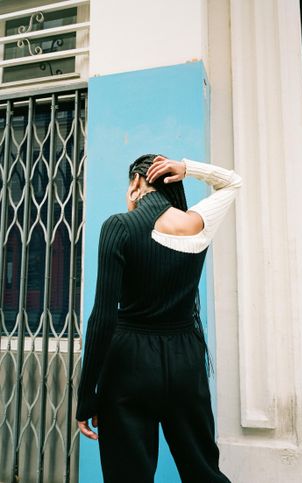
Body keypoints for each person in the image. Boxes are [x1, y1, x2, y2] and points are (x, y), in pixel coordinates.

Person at [76, 154, 242, 483]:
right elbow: (232, 182)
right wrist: (188, 169)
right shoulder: (198, 223)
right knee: (203, 472)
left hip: (128, 364)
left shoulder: (119, 227)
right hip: (186, 361)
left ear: (137, 183)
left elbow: (103, 318)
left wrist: (86, 395)